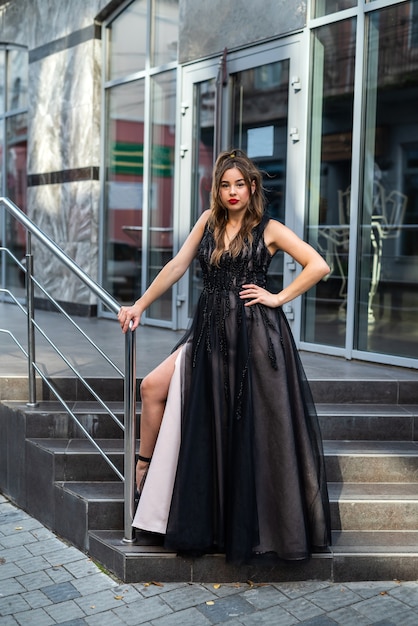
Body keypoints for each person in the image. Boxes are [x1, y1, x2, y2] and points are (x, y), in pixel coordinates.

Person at [118, 149, 331, 564]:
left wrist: (278, 296)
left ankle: (234, 524)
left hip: (254, 339)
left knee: (245, 429)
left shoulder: (269, 228)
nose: (232, 191)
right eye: (224, 184)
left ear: (252, 188)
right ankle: (143, 465)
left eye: (240, 184)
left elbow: (317, 264)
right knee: (152, 386)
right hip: (210, 334)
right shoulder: (209, 222)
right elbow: (178, 265)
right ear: (217, 189)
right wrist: (139, 305)